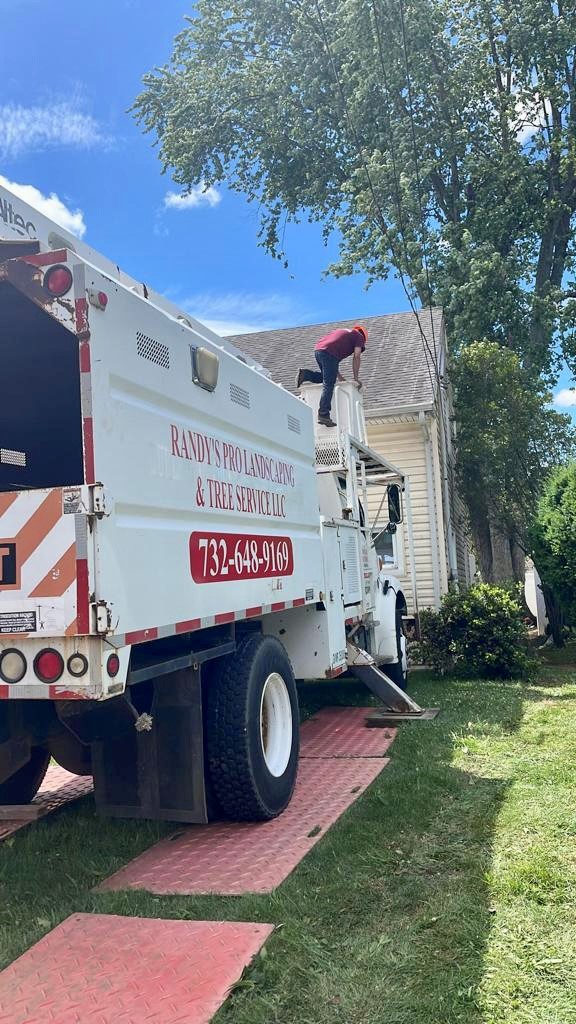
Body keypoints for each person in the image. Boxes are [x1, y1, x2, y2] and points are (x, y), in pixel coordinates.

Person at [296, 325, 367, 427]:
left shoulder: (345, 333)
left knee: (327, 378)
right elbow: (357, 356)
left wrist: (340, 378)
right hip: (328, 353)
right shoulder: (359, 336)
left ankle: (305, 375)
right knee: (329, 384)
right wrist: (356, 378)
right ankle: (323, 414)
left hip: (319, 350)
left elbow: (333, 363)